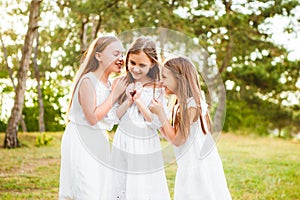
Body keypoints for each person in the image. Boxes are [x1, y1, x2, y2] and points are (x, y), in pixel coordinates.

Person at [149, 56, 232, 200]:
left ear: (180, 79)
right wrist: (158, 120)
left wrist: (161, 114)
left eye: (164, 77)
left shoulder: (192, 104)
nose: (161, 81)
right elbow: (173, 135)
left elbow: (178, 140)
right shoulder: (179, 103)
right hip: (188, 163)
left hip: (198, 165)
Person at [59, 35, 127, 200]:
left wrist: (131, 100)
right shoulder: (88, 80)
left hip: (99, 139)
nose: (121, 59)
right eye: (115, 53)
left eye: (122, 54)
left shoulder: (110, 84)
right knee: (85, 188)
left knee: (100, 189)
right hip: (82, 138)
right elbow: (92, 117)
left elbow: (111, 117)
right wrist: (114, 95)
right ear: (98, 56)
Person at [111, 37, 170, 200]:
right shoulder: (120, 82)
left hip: (146, 143)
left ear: (152, 64)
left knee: (144, 186)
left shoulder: (158, 87)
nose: (135, 69)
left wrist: (138, 101)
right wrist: (128, 100)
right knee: (121, 184)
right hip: (123, 141)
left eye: (142, 65)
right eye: (132, 63)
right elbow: (114, 117)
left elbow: (156, 122)